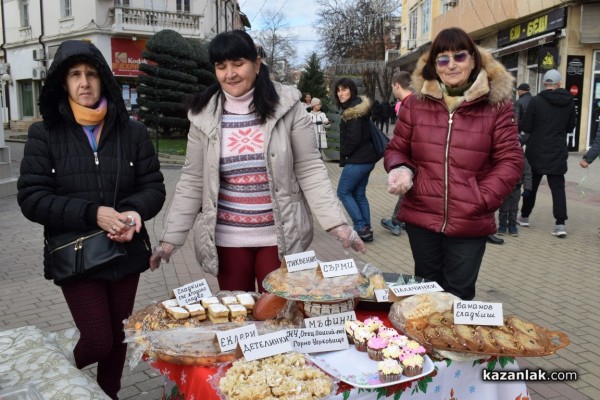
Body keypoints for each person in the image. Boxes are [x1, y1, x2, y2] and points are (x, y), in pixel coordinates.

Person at [150, 30, 365, 293]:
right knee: (237, 318)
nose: (230, 74)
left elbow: (309, 168)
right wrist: (170, 239)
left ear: (256, 63)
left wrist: (338, 224)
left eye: (238, 64)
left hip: (280, 235)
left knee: (278, 318)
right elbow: (193, 179)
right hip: (227, 239)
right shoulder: (202, 114)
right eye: (221, 67)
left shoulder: (288, 106)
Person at [17, 40, 166, 399]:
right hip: (76, 256)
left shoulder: (133, 132)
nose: (84, 83)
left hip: (125, 254)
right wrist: (92, 214)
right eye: (74, 75)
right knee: (98, 341)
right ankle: (54, 382)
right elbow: (31, 198)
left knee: (118, 339)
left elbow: (154, 187)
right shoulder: (45, 134)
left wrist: (132, 213)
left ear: (104, 80)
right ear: (62, 82)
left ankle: (106, 395)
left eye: (91, 74)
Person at [384, 27, 524, 300]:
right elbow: (397, 149)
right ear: (434, 65)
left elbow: (510, 159)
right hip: (422, 216)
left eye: (459, 57)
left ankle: (452, 343)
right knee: (424, 294)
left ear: (473, 59)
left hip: (470, 218)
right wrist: (401, 168)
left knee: (458, 295)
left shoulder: (495, 105)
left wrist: (481, 199)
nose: (451, 66)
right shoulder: (416, 105)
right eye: (443, 59)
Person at [518, 69, 576, 237]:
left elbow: (526, 126)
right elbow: (570, 127)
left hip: (536, 149)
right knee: (558, 188)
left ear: (544, 83)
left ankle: (525, 217)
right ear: (559, 83)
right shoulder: (569, 102)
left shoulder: (536, 101)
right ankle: (560, 224)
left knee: (532, 185)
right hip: (557, 150)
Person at [335, 77, 379, 243]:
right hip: (367, 159)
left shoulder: (352, 112)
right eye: (339, 90)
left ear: (352, 90)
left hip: (358, 160)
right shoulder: (359, 109)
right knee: (359, 194)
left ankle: (360, 226)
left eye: (344, 89)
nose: (341, 93)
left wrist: (344, 154)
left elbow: (354, 139)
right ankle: (366, 229)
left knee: (343, 192)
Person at [381, 71, 412, 236]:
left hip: (409, 160)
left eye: (392, 86)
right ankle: (402, 219)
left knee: (405, 189)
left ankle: (397, 221)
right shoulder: (416, 103)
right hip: (413, 159)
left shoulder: (408, 105)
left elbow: (402, 140)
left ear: (396, 85)